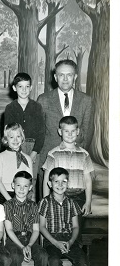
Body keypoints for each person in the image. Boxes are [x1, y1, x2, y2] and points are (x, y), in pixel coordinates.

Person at [37, 59, 93, 194]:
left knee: (74, 208)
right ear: (55, 77)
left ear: (75, 76)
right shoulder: (43, 100)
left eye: (69, 75)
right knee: (50, 209)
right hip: (51, 162)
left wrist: (79, 156)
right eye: (61, 75)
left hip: (76, 164)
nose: (65, 79)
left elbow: (88, 132)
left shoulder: (86, 100)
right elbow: (40, 133)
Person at [38, 167, 88, 266]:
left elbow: (76, 227)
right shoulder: (44, 203)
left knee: (83, 263)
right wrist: (55, 242)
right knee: (53, 261)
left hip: (69, 240)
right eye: (56, 182)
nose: (60, 185)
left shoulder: (72, 203)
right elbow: (42, 227)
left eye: (64, 181)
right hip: (51, 240)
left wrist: (70, 242)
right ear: (50, 184)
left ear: (68, 183)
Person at [4, 171, 48, 266]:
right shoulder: (8, 205)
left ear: (30, 188)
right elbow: (9, 230)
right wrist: (22, 246)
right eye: (18, 185)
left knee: (42, 255)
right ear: (13, 185)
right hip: (14, 239)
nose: (22, 189)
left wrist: (29, 245)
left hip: (30, 239)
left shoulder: (34, 206)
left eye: (25, 186)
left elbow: (36, 230)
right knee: (16, 256)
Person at [42, 116, 94, 217]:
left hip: (79, 198)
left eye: (73, 131)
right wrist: (46, 203)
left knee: (76, 230)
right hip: (58, 198)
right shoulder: (53, 153)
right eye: (66, 131)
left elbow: (88, 180)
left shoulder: (85, 154)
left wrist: (88, 202)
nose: (70, 134)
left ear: (78, 131)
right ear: (60, 132)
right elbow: (46, 180)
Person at [4, 73, 45, 195]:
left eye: (27, 86)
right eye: (20, 86)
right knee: (16, 179)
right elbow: (7, 132)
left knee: (31, 181)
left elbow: (41, 133)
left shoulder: (37, 107)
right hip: (15, 147)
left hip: (33, 148)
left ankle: (30, 210)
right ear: (14, 88)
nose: (24, 90)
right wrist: (14, 151)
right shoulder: (10, 108)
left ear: (31, 87)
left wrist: (34, 153)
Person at [0, 123, 32, 204]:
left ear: (22, 138)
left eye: (18, 136)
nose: (15, 140)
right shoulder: (0, 157)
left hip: (21, 195)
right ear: (6, 139)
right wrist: (10, 200)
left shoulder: (27, 159)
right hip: (2, 195)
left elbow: (29, 182)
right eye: (11, 137)